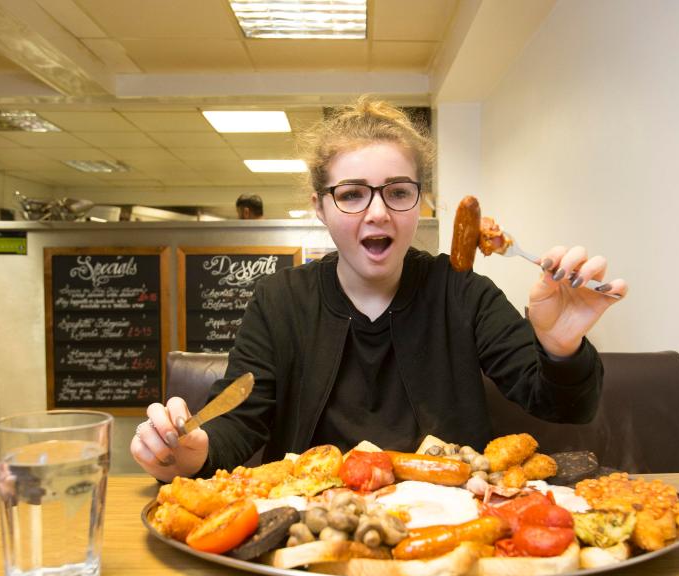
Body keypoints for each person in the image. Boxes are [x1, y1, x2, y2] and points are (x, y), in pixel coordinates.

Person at [132, 97, 628, 482]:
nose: (377, 212)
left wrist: (561, 349)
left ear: (420, 203)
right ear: (320, 208)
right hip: (312, 527)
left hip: (451, 520)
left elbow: (566, 408)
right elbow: (241, 421)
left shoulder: (463, 293)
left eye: (397, 191)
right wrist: (192, 452)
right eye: (350, 194)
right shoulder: (279, 301)